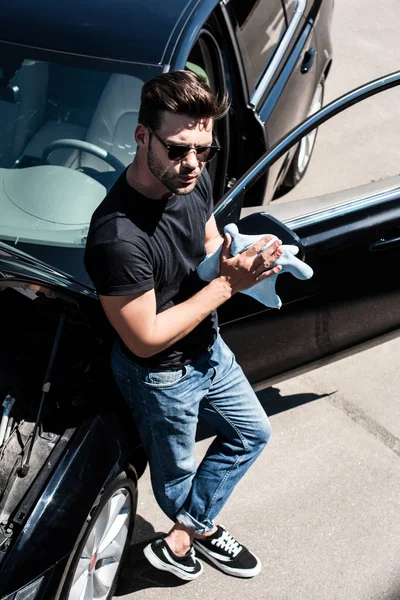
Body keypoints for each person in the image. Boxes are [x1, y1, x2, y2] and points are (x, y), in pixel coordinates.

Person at [84, 70, 283, 581]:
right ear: (141, 135)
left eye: (203, 149)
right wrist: (227, 288)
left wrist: (243, 258)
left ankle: (182, 536)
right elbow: (143, 338)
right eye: (176, 149)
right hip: (161, 375)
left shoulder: (189, 175)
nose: (192, 164)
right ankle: (191, 529)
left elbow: (208, 240)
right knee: (176, 481)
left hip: (207, 348)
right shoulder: (119, 238)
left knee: (252, 433)